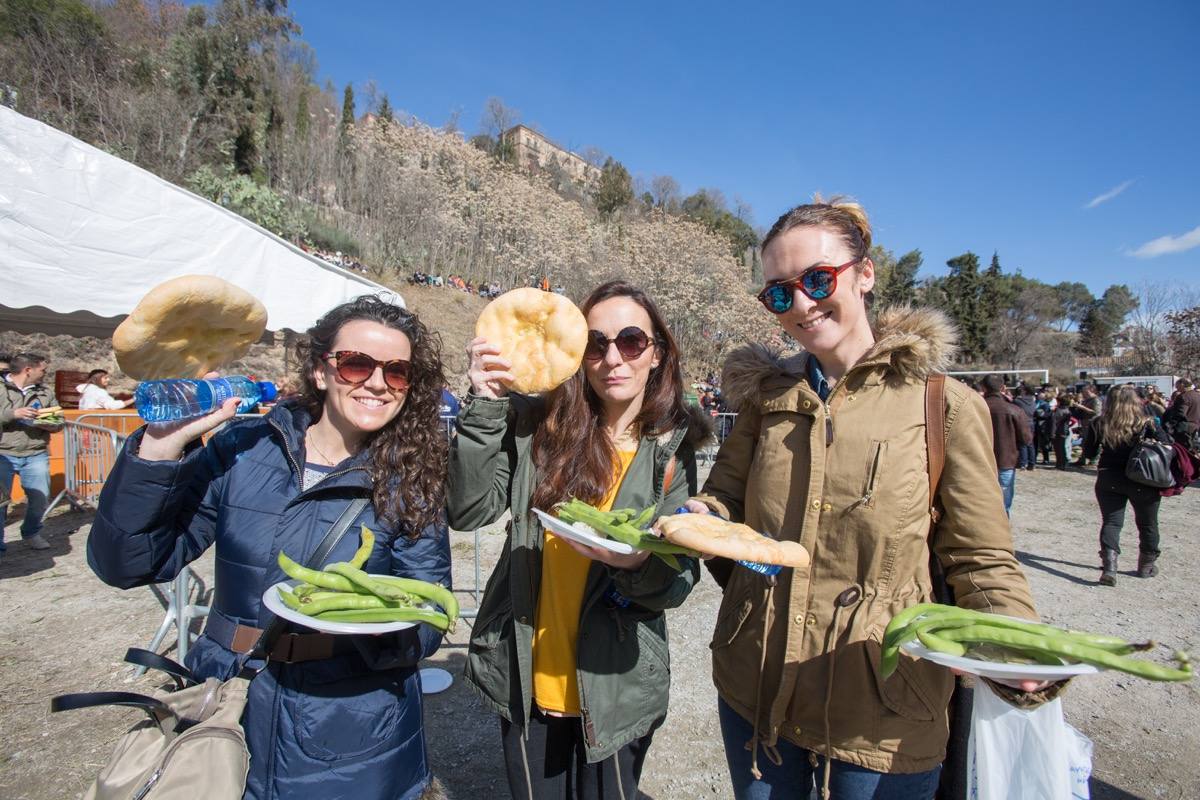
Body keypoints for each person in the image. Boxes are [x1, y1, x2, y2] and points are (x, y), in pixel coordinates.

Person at [683, 197, 1048, 800]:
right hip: (757, 681)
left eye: (818, 279)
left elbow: (981, 558)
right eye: (779, 293)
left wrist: (1013, 637)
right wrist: (700, 517)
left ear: (866, 273)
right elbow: (723, 500)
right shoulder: (762, 401)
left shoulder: (944, 405)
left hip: (884, 702)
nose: (801, 303)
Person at [86, 296, 452, 800]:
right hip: (229, 699)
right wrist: (159, 449)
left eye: (397, 372)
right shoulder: (245, 448)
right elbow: (126, 563)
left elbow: (429, 620)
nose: (376, 383)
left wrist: (362, 624)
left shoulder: (413, 478)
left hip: (354, 720)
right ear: (321, 371)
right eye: (356, 363)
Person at [448, 281, 706, 800]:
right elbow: (469, 508)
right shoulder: (538, 428)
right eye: (595, 342)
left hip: (615, 685)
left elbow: (676, 584)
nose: (613, 357)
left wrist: (635, 565)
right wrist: (483, 403)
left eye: (632, 341)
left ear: (657, 354)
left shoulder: (672, 453)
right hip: (526, 671)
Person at [1081, 385, 1172, 585]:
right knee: (1148, 523)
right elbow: (1167, 446)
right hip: (1143, 478)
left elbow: (1088, 453)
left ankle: (1110, 568)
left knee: (1112, 522)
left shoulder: (1099, 423)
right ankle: (1146, 566)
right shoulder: (1148, 423)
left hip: (1109, 478)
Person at [1, 353, 61, 553]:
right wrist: (13, 414)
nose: (45, 373)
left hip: (35, 452)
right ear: (28, 370)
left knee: (40, 498)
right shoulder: (1, 389)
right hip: (3, 453)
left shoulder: (45, 392)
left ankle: (31, 532)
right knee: (1, 502)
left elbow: (58, 421)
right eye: (42, 369)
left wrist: (48, 423)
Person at [982, 375, 1033, 515]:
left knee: (980, 502)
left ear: (983, 388)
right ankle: (1002, 531)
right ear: (1003, 388)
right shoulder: (1014, 410)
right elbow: (1026, 439)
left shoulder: (975, 409)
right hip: (1006, 460)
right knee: (1003, 505)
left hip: (979, 461)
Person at [1011, 383, 1037, 471]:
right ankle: (1032, 464)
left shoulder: (1018, 401)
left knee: (1023, 444)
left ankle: (1023, 464)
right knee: (1030, 444)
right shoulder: (1033, 401)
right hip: (1031, 422)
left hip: (1023, 422)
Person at [1052, 392, 1076, 470]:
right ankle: (1061, 463)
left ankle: (1061, 464)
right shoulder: (1067, 410)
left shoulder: (1059, 411)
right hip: (1064, 431)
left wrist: (1052, 433)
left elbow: (1054, 423)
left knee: (1060, 449)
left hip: (1059, 431)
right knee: (1061, 448)